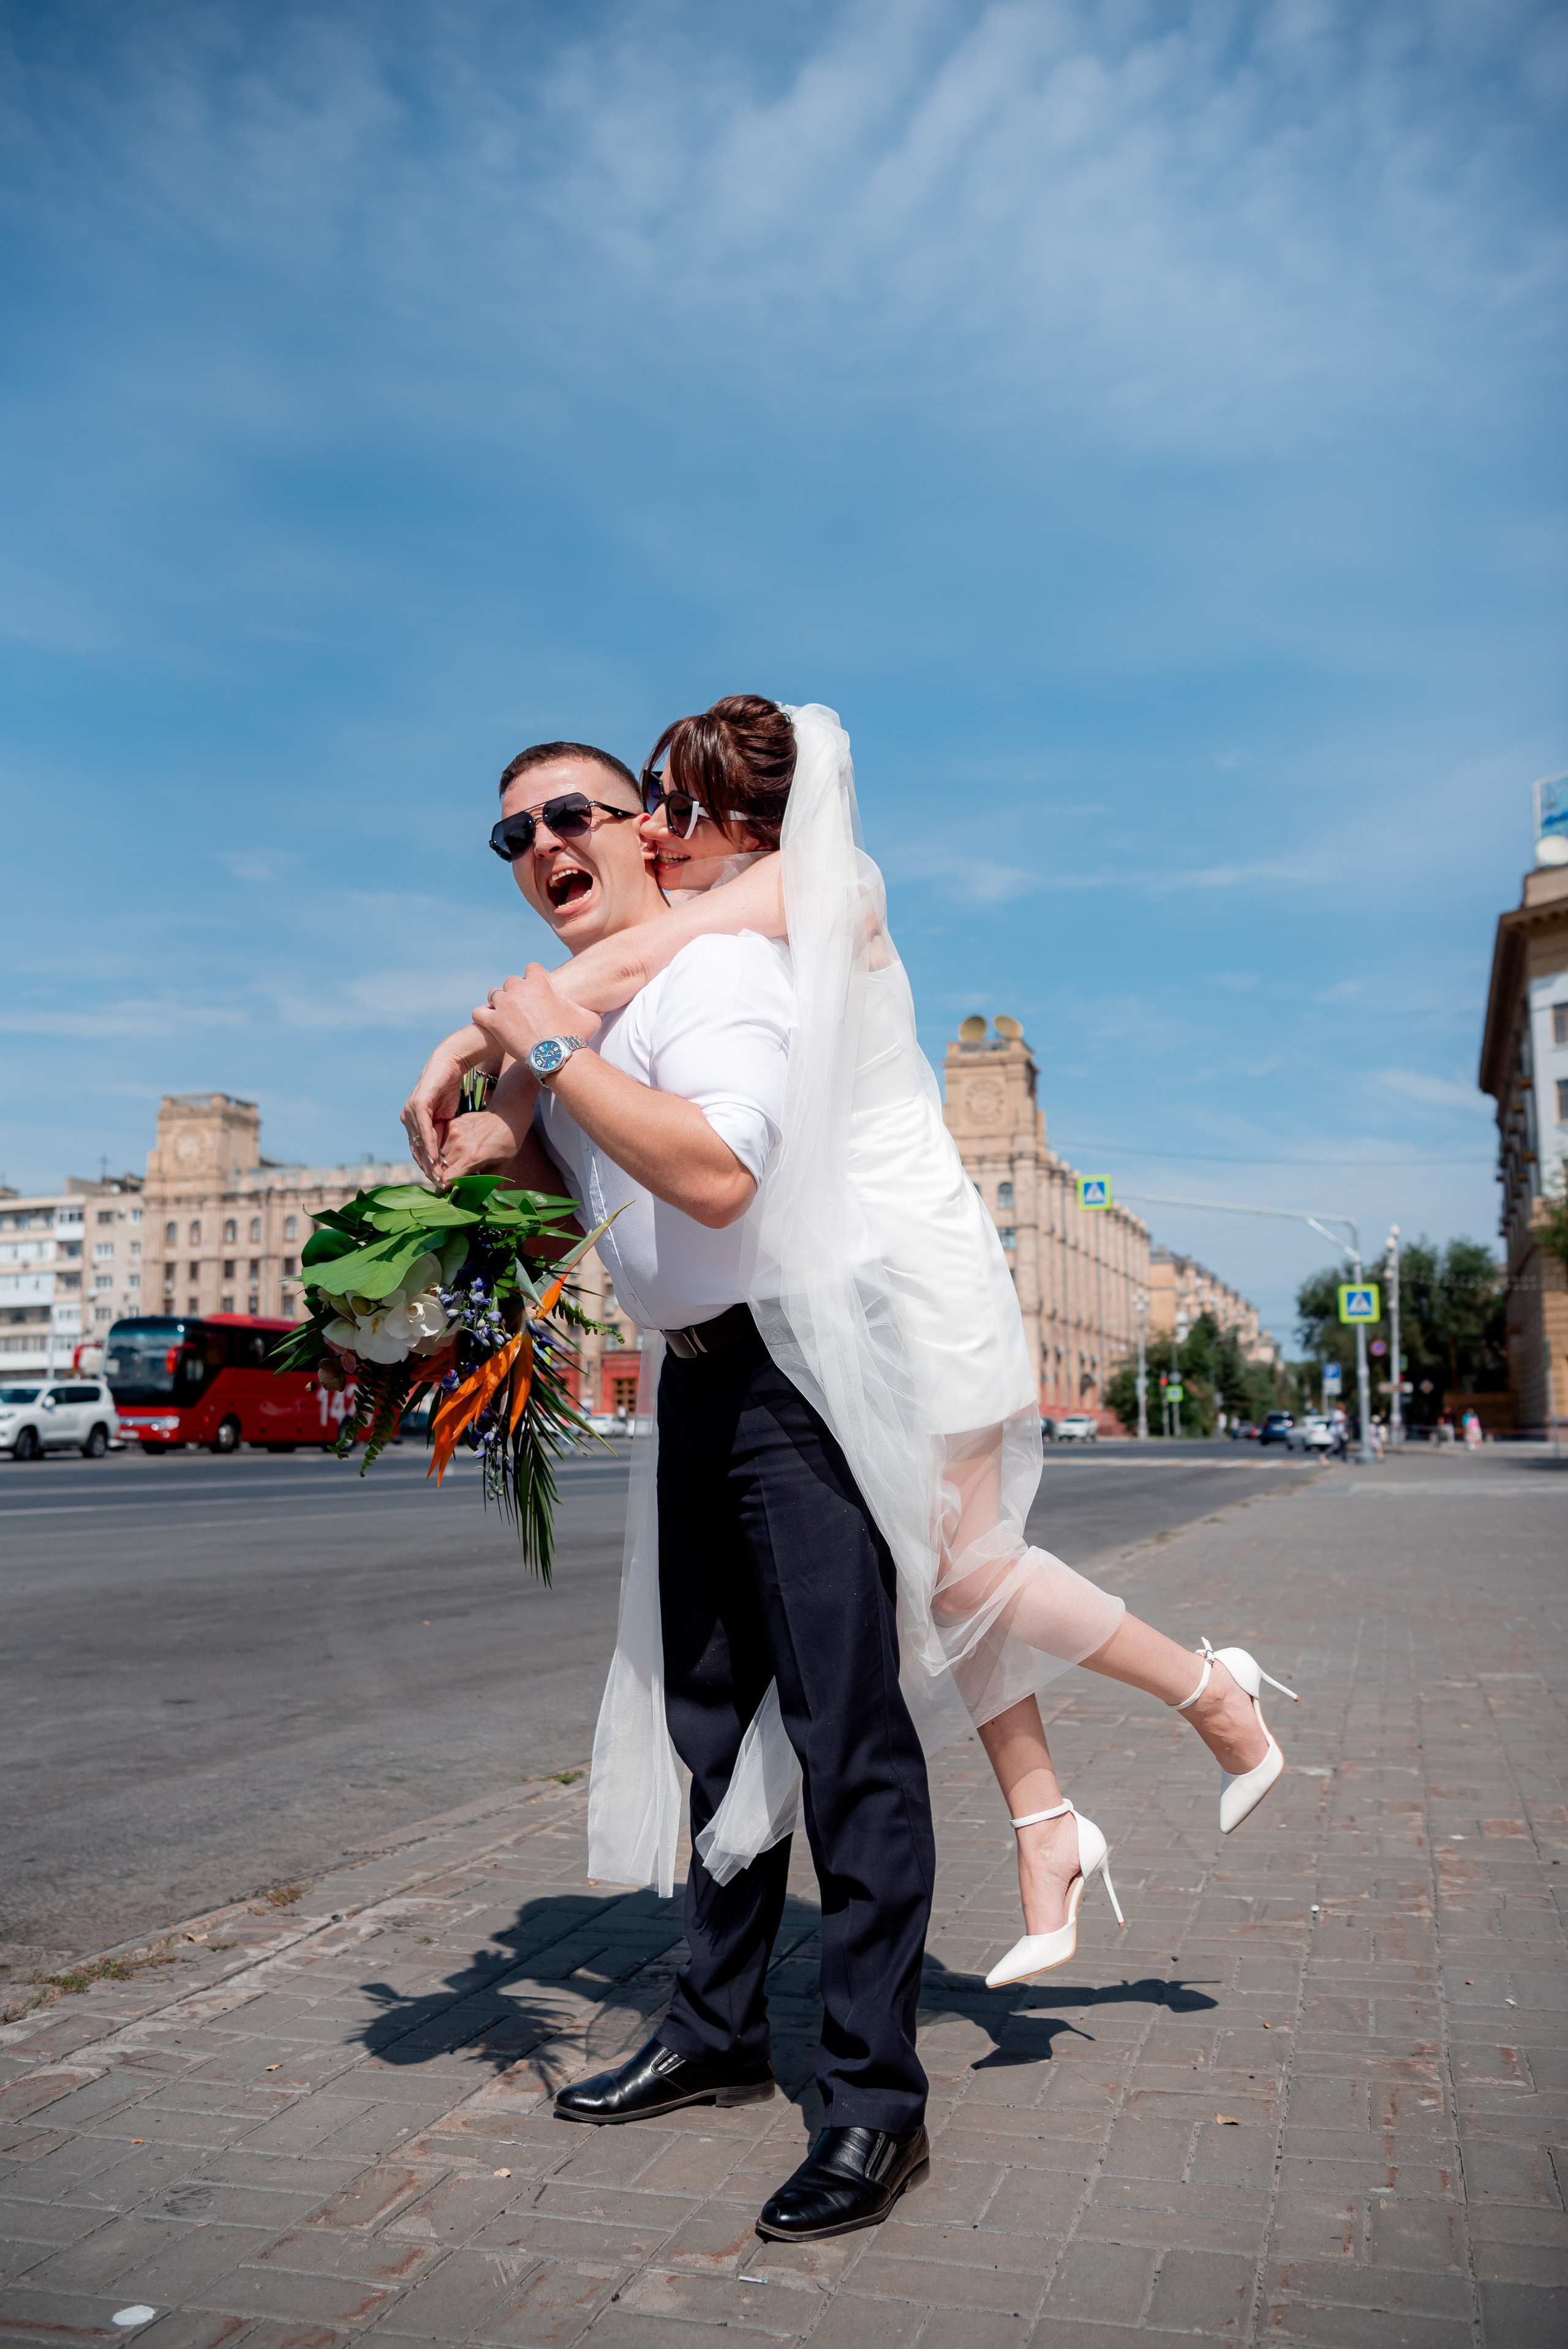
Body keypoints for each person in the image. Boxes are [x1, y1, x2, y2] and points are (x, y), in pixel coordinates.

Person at [404, 701, 1295, 2007]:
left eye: (668, 801)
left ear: (744, 818)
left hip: (905, 1267)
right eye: (641, 798)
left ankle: (1206, 1685)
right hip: (845, 1286)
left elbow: (607, 986)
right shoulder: (704, 924)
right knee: (947, 1572)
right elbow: (594, 1054)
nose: (652, 823)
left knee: (962, 1563)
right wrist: (504, 1094)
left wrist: (473, 1038)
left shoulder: (822, 879)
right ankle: (1048, 1832)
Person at [448, 735, 935, 2243]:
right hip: (702, 1382)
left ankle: (869, 2105)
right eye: (512, 832)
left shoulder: (713, 983)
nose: (541, 846)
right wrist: (499, 1167)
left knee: (841, 1738)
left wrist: (541, 1060)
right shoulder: (608, 1007)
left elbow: (719, 1174)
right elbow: (610, 1200)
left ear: (652, 838)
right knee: (708, 1723)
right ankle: (717, 2029)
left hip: (794, 1381)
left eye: (571, 814)